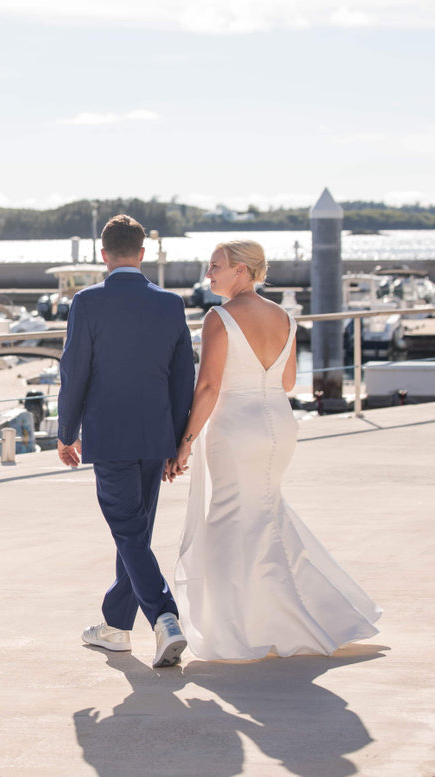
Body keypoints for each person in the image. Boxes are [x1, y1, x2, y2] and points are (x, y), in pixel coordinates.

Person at [172, 240, 381, 660]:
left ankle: (241, 627)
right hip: (278, 424)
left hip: (236, 428)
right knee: (265, 514)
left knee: (231, 523)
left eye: (215, 267)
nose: (208, 275)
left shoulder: (219, 317)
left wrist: (185, 442)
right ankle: (287, 614)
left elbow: (209, 386)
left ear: (242, 272)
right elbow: (286, 383)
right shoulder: (284, 316)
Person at [57, 215, 196, 668]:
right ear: (141, 254)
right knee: (134, 534)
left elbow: (74, 371)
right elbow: (182, 380)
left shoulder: (87, 302)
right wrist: (179, 441)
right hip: (156, 437)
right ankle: (116, 627)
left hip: (109, 436)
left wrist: (65, 433)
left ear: (104, 255)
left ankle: (164, 618)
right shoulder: (171, 304)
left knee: (131, 533)